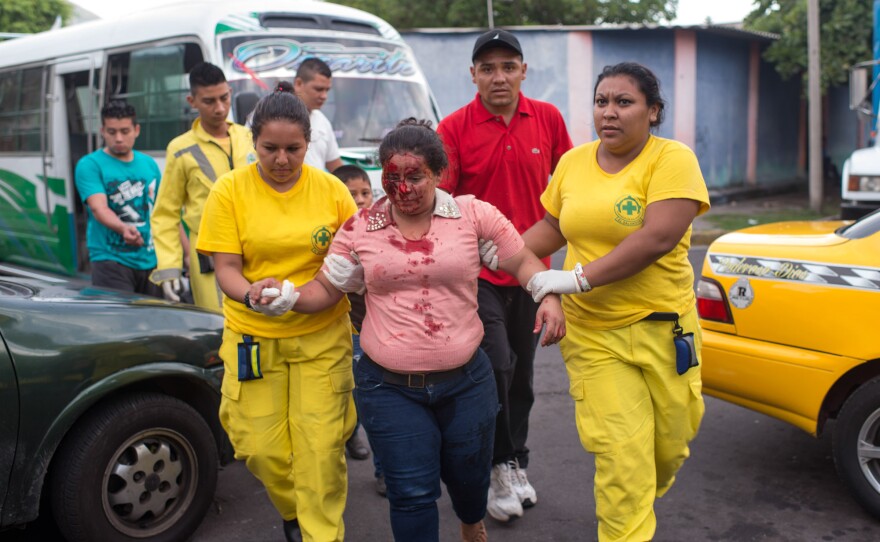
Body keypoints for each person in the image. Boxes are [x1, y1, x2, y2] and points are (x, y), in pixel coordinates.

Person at [248, 119, 566, 542]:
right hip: (389, 387)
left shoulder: (472, 215)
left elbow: (522, 260)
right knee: (411, 493)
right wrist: (285, 296)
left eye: (415, 176)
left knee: (471, 482)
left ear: (438, 173)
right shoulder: (361, 227)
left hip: (467, 382)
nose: (403, 189)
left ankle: (471, 521)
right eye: (391, 177)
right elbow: (326, 288)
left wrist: (547, 292)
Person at [523, 62, 710, 542]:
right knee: (622, 455)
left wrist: (576, 279)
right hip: (593, 336)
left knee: (670, 446)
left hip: (665, 328)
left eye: (624, 102)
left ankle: (636, 500)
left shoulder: (672, 159)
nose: (609, 112)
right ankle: (626, 528)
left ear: (653, 112)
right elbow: (551, 229)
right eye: (601, 101)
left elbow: (657, 237)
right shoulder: (573, 162)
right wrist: (504, 250)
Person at [196, 91, 357, 542]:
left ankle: (319, 533)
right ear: (253, 141)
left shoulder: (332, 190)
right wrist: (251, 293)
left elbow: (351, 259)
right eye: (270, 149)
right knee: (259, 449)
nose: (282, 160)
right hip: (254, 338)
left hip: (322, 336)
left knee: (321, 451)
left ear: (310, 143)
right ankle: (293, 509)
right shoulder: (230, 190)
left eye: (294, 149)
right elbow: (226, 268)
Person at [436, 28, 573, 523]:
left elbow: (568, 194)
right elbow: (442, 205)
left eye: (508, 66)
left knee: (525, 379)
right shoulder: (452, 129)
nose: (499, 77)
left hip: (534, 274)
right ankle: (495, 465)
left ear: (523, 71)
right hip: (478, 276)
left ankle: (516, 462)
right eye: (488, 68)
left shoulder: (550, 120)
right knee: (496, 366)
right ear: (473, 75)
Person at [150, 61, 255, 310]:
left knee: (262, 324)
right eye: (209, 101)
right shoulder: (180, 149)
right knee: (219, 327)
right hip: (209, 257)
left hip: (256, 248)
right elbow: (165, 214)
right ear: (192, 101)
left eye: (224, 98)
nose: (220, 108)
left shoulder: (250, 137)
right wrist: (169, 267)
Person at [74, 100, 163, 297]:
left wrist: (185, 254)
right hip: (110, 260)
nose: (119, 138)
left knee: (155, 322)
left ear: (136, 130)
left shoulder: (149, 164)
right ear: (102, 131)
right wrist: (123, 228)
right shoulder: (89, 165)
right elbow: (99, 209)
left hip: (151, 259)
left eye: (125, 131)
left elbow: (164, 211)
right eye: (112, 132)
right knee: (119, 323)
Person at [332, 164, 375, 466]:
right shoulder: (335, 236)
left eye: (365, 193)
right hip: (347, 328)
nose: (359, 200)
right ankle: (350, 434)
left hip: (377, 327)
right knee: (349, 390)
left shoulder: (382, 229)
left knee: (372, 397)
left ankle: (384, 470)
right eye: (351, 194)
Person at [295, 57, 343, 172]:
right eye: (319, 89)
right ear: (299, 83)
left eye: (327, 90)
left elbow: (337, 169)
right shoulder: (268, 116)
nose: (324, 96)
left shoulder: (322, 121)